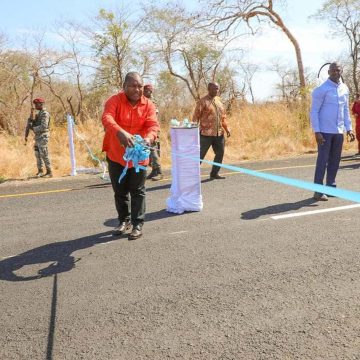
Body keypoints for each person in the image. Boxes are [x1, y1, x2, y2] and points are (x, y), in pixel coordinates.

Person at [101, 72, 160, 240]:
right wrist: (120, 132)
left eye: (140, 86)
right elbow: (107, 117)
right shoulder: (114, 101)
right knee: (119, 192)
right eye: (133, 86)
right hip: (116, 155)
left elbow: (153, 125)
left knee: (138, 191)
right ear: (124, 87)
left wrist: (149, 138)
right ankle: (123, 221)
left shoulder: (148, 104)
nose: (137, 89)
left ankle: (137, 224)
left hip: (139, 157)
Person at [310, 62, 355, 201]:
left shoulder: (344, 88)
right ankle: (318, 191)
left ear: (341, 71)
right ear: (328, 72)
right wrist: (317, 131)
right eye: (333, 70)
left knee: (335, 160)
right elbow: (314, 111)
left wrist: (349, 128)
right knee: (322, 160)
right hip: (324, 131)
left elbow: (346, 110)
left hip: (338, 131)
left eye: (338, 70)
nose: (336, 72)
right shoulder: (321, 89)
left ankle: (330, 187)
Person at [192, 82, 231, 180]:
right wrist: (193, 131)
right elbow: (196, 117)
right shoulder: (203, 101)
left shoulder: (219, 101)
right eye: (214, 89)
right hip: (206, 134)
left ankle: (214, 173)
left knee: (220, 153)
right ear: (209, 89)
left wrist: (227, 129)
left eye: (217, 89)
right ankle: (191, 176)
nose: (216, 90)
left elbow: (223, 117)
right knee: (199, 156)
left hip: (219, 133)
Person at [25, 98, 53, 178]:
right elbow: (36, 123)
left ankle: (49, 172)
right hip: (38, 137)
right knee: (38, 154)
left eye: (36, 104)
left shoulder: (45, 114)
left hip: (43, 136)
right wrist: (31, 121)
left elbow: (44, 126)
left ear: (41, 104)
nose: (35, 106)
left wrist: (34, 128)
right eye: (35, 104)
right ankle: (40, 171)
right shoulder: (39, 114)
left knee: (44, 154)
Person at [143, 84, 163, 181]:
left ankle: (159, 171)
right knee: (148, 151)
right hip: (145, 130)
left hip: (151, 130)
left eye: (149, 91)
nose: (147, 92)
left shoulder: (151, 102)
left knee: (152, 150)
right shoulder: (143, 100)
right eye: (146, 90)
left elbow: (152, 117)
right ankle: (154, 171)